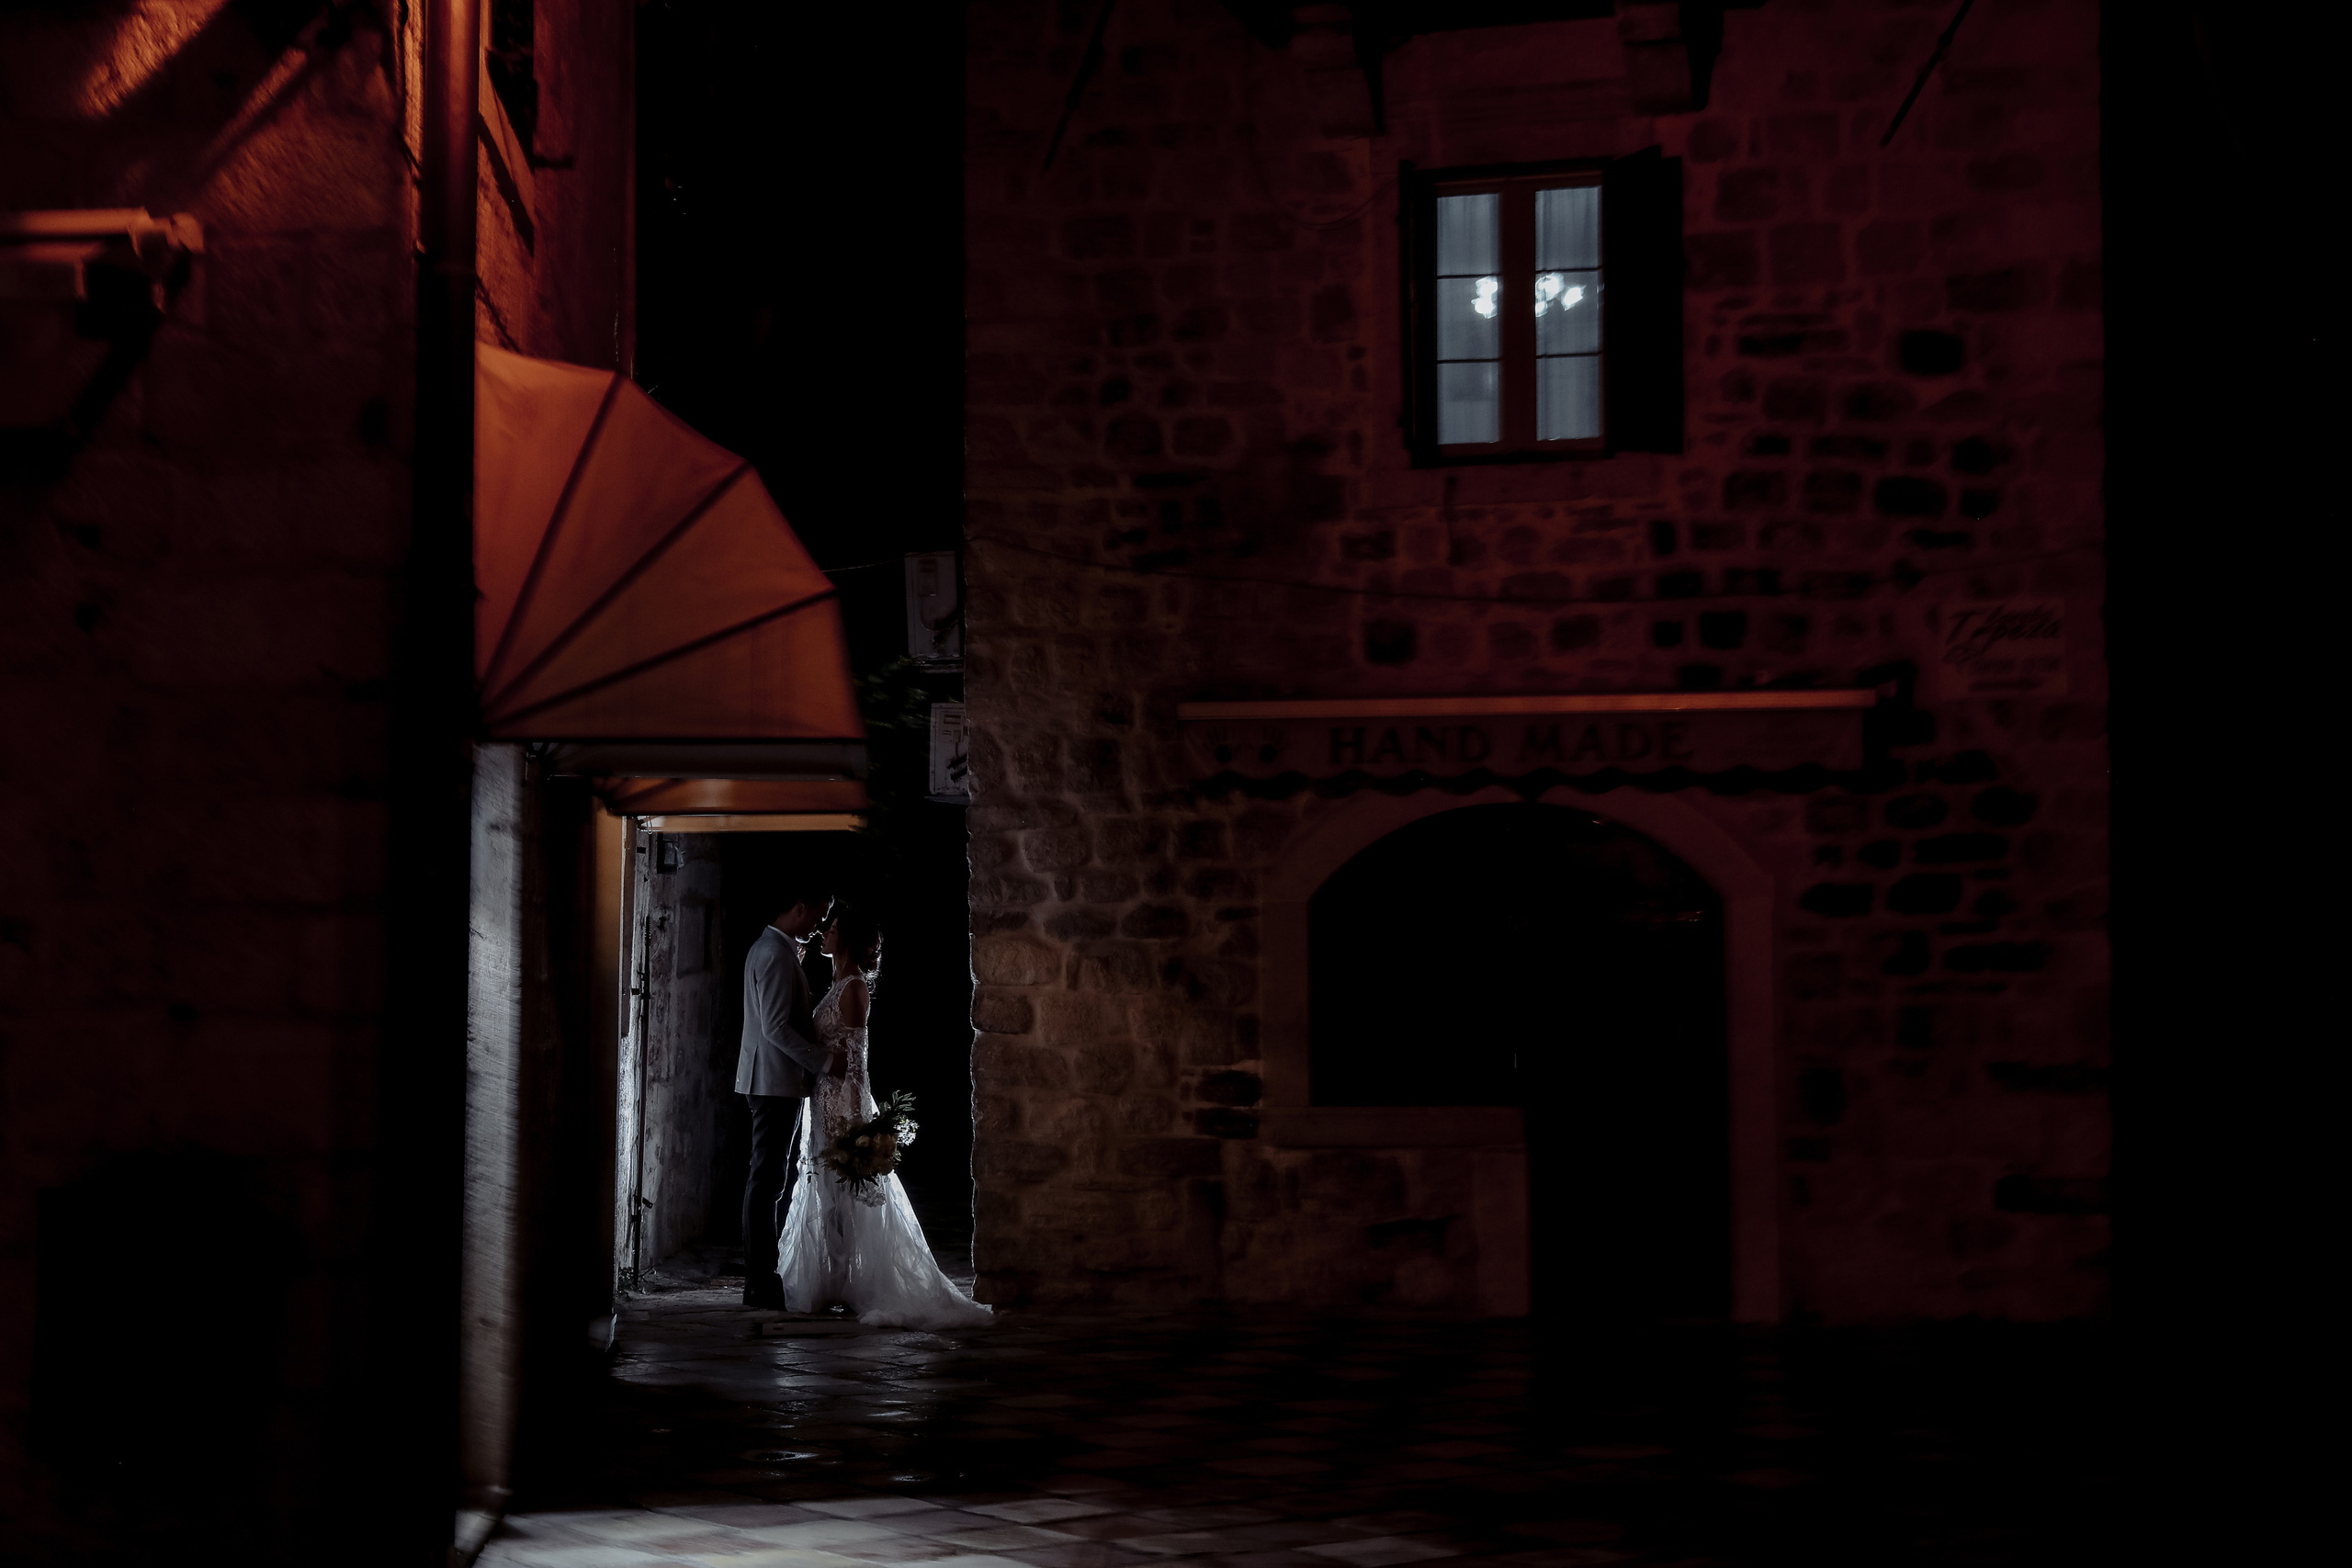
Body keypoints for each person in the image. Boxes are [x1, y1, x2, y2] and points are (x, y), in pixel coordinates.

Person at [774, 908, 992, 1330]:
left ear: (848, 940)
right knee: (825, 1190)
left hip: (842, 1104)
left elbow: (856, 1062)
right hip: (821, 1100)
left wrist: (860, 1126)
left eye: (833, 930)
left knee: (849, 1193)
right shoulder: (837, 983)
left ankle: (859, 1283)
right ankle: (831, 1280)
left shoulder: (854, 988)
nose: (825, 933)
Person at [733, 883, 841, 1310]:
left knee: (768, 1179)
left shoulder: (774, 948)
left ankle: (761, 1278)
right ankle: (760, 1280)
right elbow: (777, 1027)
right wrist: (824, 1062)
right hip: (774, 1082)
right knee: (767, 1181)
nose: (819, 927)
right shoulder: (775, 954)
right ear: (800, 907)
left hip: (773, 1081)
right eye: (818, 914)